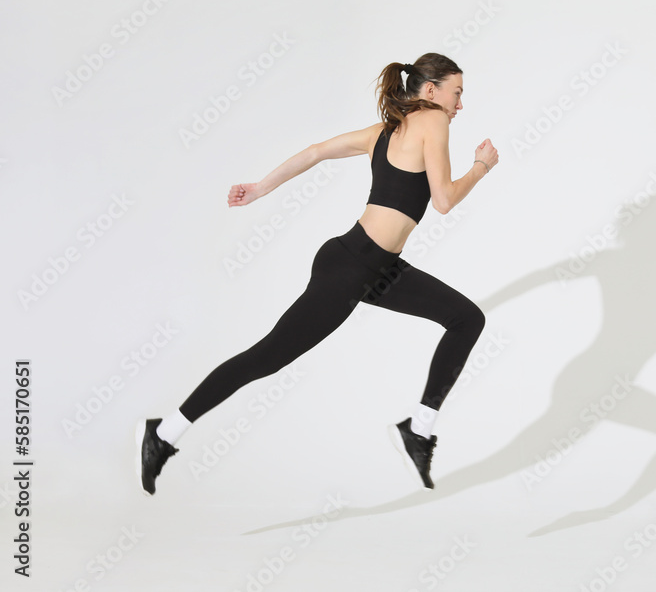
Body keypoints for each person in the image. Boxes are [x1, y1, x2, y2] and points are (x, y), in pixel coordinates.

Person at [137, 53, 499, 496]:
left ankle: (419, 429)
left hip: (373, 267)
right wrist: (481, 167)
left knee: (466, 318)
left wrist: (259, 188)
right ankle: (164, 432)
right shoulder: (433, 122)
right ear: (430, 91)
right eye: (456, 92)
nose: (459, 104)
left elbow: (315, 152)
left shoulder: (382, 133)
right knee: (266, 357)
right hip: (352, 268)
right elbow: (443, 201)